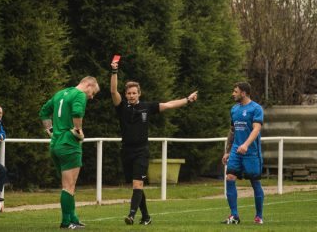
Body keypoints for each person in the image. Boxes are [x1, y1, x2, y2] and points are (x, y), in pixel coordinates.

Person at [110, 61, 198, 226]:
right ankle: (146, 217)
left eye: (134, 93)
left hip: (141, 151)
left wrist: (188, 100)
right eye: (128, 93)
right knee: (136, 185)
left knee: (138, 183)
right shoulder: (121, 107)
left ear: (139, 94)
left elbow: (169, 104)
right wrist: (114, 71)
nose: (131, 95)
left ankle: (131, 215)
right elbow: (113, 90)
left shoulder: (147, 107)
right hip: (126, 151)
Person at [39, 76, 100, 230]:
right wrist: (78, 131)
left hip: (56, 145)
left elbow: (43, 112)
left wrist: (50, 131)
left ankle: (74, 218)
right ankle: (67, 222)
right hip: (69, 145)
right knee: (68, 186)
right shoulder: (79, 94)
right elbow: (77, 112)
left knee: (69, 186)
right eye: (93, 92)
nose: (91, 96)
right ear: (88, 84)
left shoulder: (61, 93)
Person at [221, 82, 264, 225]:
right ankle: (234, 216)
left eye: (235, 91)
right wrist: (227, 151)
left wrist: (246, 144)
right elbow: (232, 131)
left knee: (254, 181)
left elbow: (256, 129)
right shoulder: (234, 109)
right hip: (235, 151)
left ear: (243, 93)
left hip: (251, 152)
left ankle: (258, 216)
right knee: (230, 177)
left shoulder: (256, 109)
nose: (233, 94)